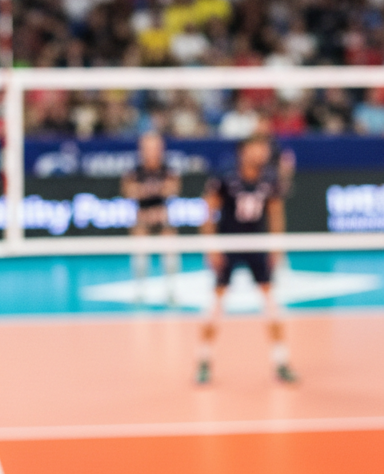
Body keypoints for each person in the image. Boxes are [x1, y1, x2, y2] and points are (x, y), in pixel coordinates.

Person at [195, 135, 297, 385]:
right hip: (228, 246)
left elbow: (275, 211)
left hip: (257, 247)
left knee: (271, 303)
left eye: (263, 147)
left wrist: (276, 246)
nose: (261, 152)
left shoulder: (269, 178)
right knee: (215, 306)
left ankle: (281, 361)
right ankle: (204, 361)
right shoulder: (225, 178)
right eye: (256, 148)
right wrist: (211, 248)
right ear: (243, 151)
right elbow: (207, 211)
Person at [121, 131, 181, 303]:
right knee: (139, 242)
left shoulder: (167, 169)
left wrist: (144, 191)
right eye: (148, 148)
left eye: (155, 147)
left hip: (162, 217)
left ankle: (171, 290)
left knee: (170, 242)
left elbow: (173, 188)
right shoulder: (135, 171)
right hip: (143, 217)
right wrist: (155, 191)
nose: (152, 151)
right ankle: (139, 290)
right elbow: (129, 191)